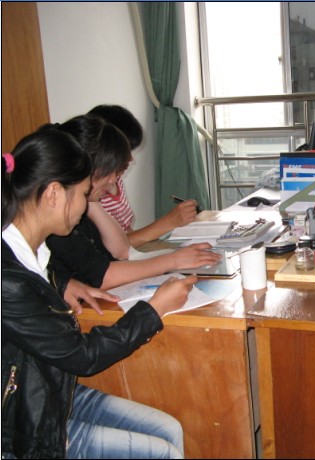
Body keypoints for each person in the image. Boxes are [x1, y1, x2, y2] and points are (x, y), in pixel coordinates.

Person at [1, 126, 195, 458]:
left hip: (52, 391)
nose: (84, 206)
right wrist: (154, 310)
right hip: (23, 424)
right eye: (82, 194)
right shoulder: (8, 281)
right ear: (54, 194)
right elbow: (83, 356)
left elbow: (39, 275)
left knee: (168, 430)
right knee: (163, 453)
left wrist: (63, 282)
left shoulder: (29, 250)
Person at [44, 115, 221, 303]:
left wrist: (91, 201)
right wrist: (174, 260)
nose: (114, 182)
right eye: (111, 172)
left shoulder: (84, 206)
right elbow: (102, 277)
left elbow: (121, 250)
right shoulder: (58, 218)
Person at [88, 104, 199, 249]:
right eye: (124, 152)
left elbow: (127, 235)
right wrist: (168, 222)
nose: (130, 159)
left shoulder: (115, 181)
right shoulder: (94, 194)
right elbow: (111, 249)